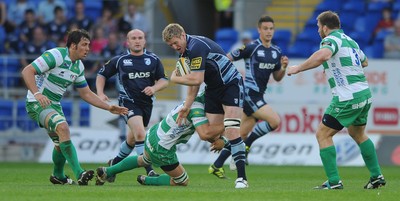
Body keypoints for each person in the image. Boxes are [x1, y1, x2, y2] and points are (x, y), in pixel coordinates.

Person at [286, 11, 386, 190]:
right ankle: (376, 176)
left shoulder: (330, 40)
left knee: (323, 134)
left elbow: (323, 55)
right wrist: (336, 65)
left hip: (347, 97)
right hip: (364, 94)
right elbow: (365, 62)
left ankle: (334, 181)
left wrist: (298, 68)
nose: (318, 31)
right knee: (358, 134)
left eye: (318, 27)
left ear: (325, 27)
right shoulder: (351, 41)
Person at [20, 29, 128, 185]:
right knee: (63, 128)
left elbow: (86, 94)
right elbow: (27, 71)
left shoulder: (78, 67)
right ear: (72, 45)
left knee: (60, 142)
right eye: (84, 45)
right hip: (37, 103)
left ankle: (58, 176)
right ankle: (80, 173)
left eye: (89, 45)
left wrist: (108, 107)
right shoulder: (55, 56)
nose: (88, 49)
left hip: (54, 105)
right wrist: (37, 94)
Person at [162, 23, 248, 188]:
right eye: (170, 45)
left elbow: (196, 80)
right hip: (213, 89)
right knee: (207, 134)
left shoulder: (196, 47)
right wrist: (187, 106)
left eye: (175, 42)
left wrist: (174, 79)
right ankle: (233, 141)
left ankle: (242, 178)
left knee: (231, 128)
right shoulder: (185, 53)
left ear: (182, 34)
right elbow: (195, 84)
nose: (174, 47)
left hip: (231, 84)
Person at [95, 91, 228, 186]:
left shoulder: (195, 100)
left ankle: (107, 171)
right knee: (182, 181)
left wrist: (221, 140)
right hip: (162, 147)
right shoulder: (198, 109)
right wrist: (228, 124)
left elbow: (209, 134)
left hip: (154, 134)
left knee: (143, 160)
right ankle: (148, 180)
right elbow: (205, 134)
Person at [211, 15, 289, 170]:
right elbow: (228, 58)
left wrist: (284, 68)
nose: (269, 32)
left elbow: (277, 77)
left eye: (271, 29)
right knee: (275, 121)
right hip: (249, 94)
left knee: (240, 134)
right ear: (259, 30)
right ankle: (247, 147)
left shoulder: (276, 51)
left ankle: (216, 165)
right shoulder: (252, 48)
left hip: (259, 95)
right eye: (265, 28)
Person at [96, 29, 169, 179]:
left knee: (132, 139)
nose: (137, 41)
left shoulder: (153, 59)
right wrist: (100, 93)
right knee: (141, 134)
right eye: (133, 38)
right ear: (127, 42)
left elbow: (164, 80)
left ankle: (114, 164)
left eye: (140, 38)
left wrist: (154, 88)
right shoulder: (120, 60)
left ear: (144, 41)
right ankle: (150, 170)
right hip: (127, 103)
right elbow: (101, 74)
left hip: (146, 105)